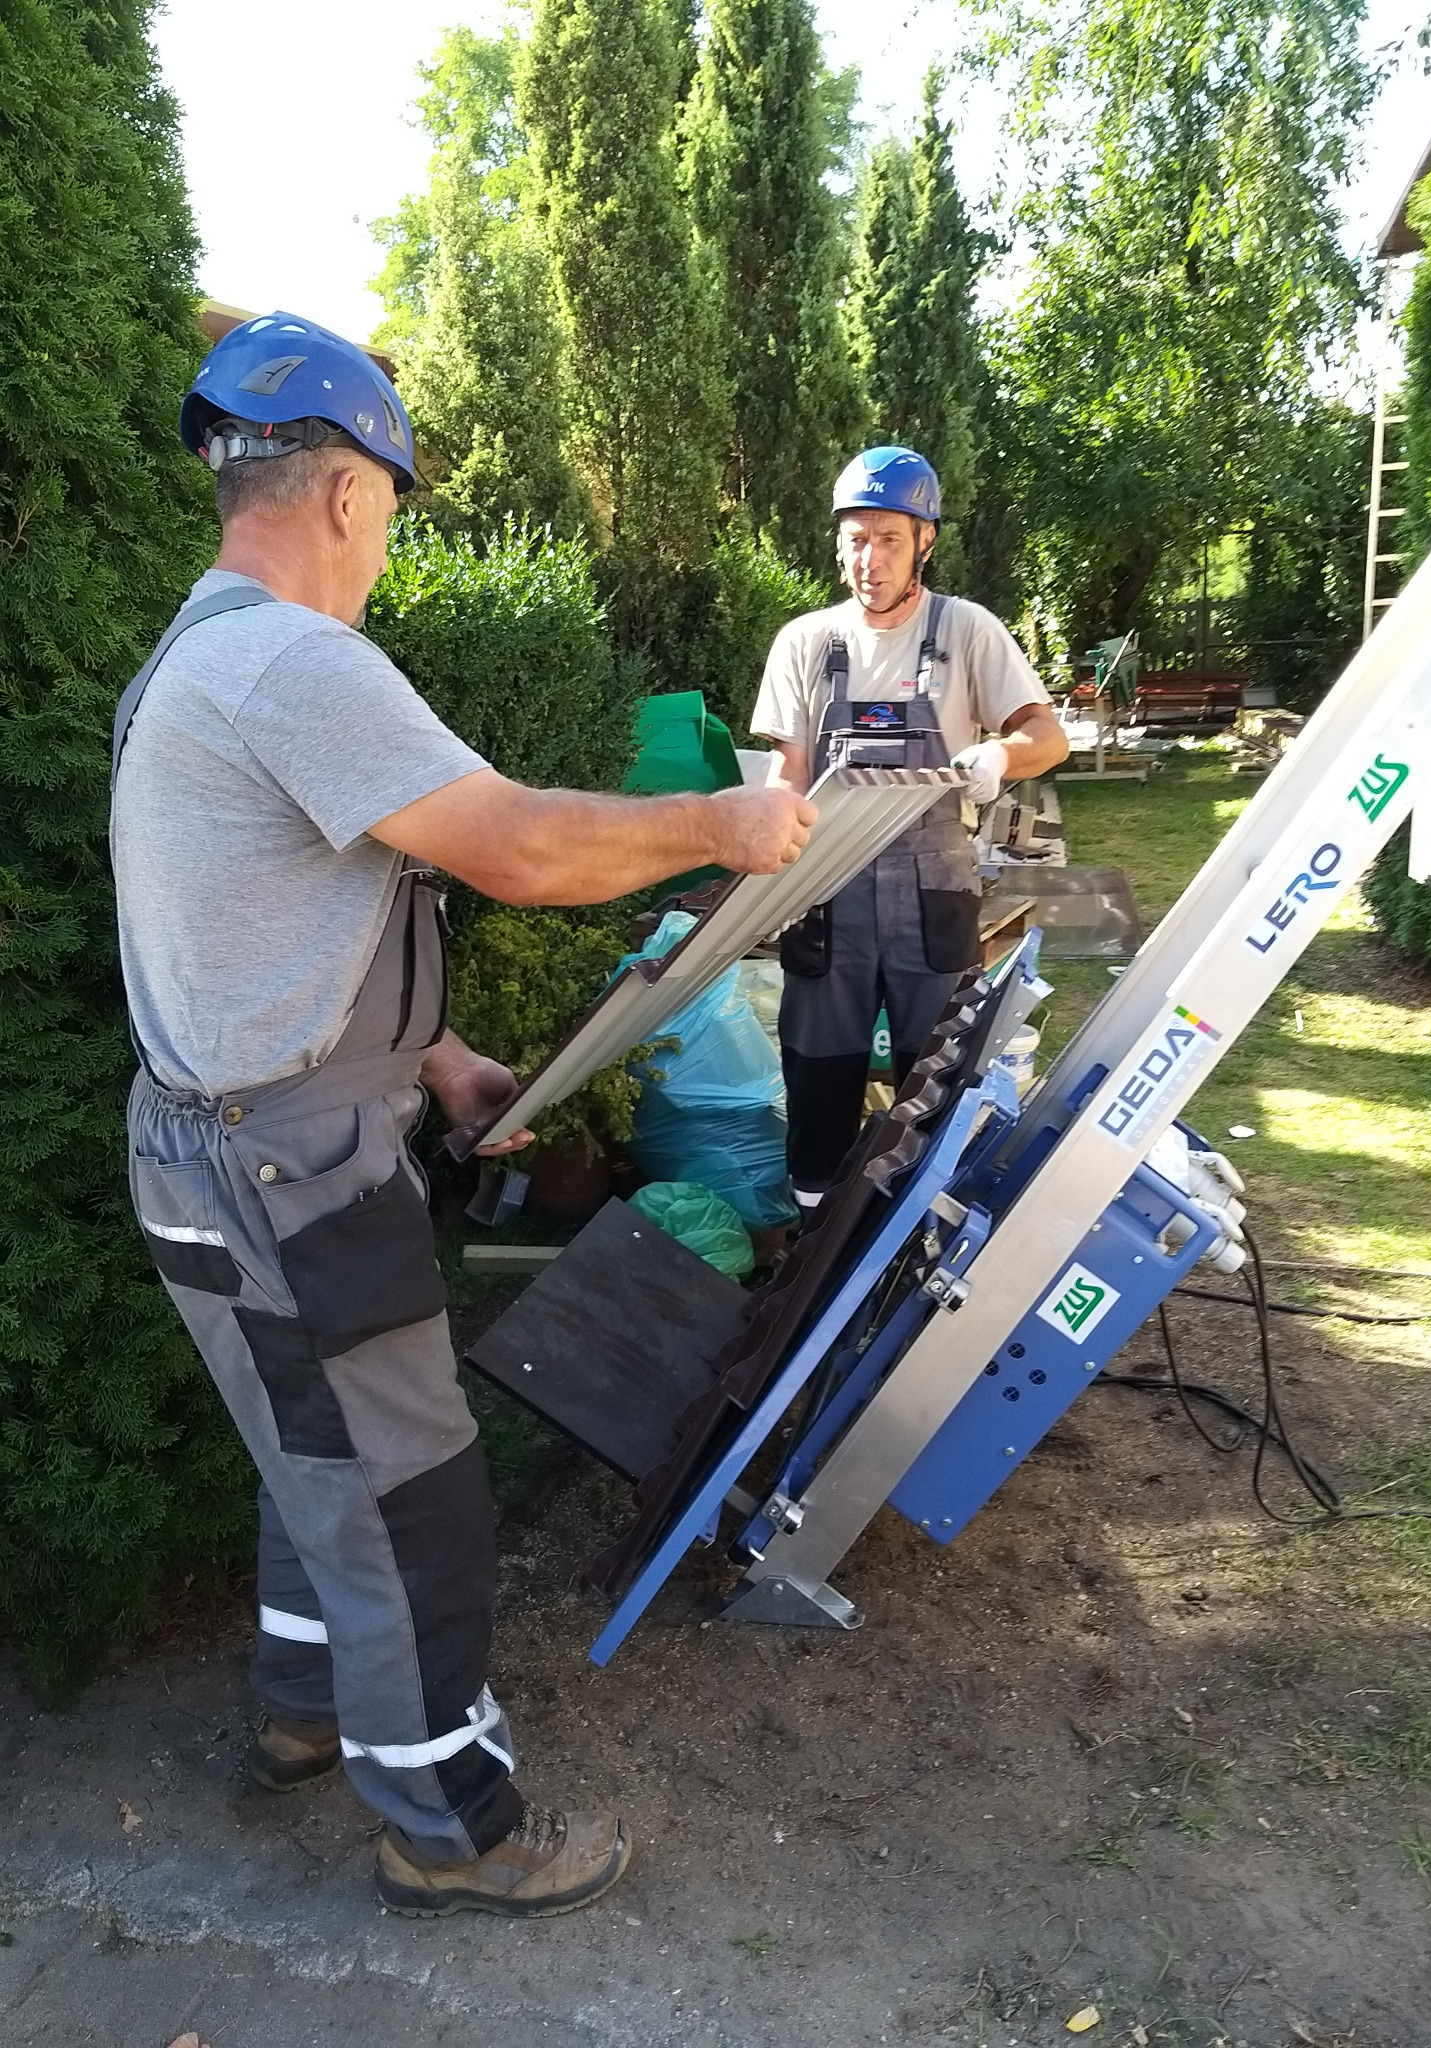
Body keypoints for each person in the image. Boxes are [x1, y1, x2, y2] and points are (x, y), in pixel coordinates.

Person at [110, 311, 814, 1920]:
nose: (384, 545)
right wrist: (715, 818)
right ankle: (455, 1828)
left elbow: (248, 926)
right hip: (289, 1173)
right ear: (348, 488)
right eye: (396, 507)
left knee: (320, 1460)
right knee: (414, 1495)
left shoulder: (192, 665)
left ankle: (304, 1717)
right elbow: (517, 845)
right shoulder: (293, 660)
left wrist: (436, 1058)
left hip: (212, 1149)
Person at [751, 445, 1069, 1210]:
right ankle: (811, 1233)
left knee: (939, 1075)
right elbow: (787, 772)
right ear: (837, 546)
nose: (871, 558)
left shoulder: (967, 631)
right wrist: (766, 851)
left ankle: (927, 1227)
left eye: (890, 539)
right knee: (819, 1073)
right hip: (826, 893)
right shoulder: (806, 643)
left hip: (934, 895)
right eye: (856, 539)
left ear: (925, 541)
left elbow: (1047, 737)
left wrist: (999, 752)